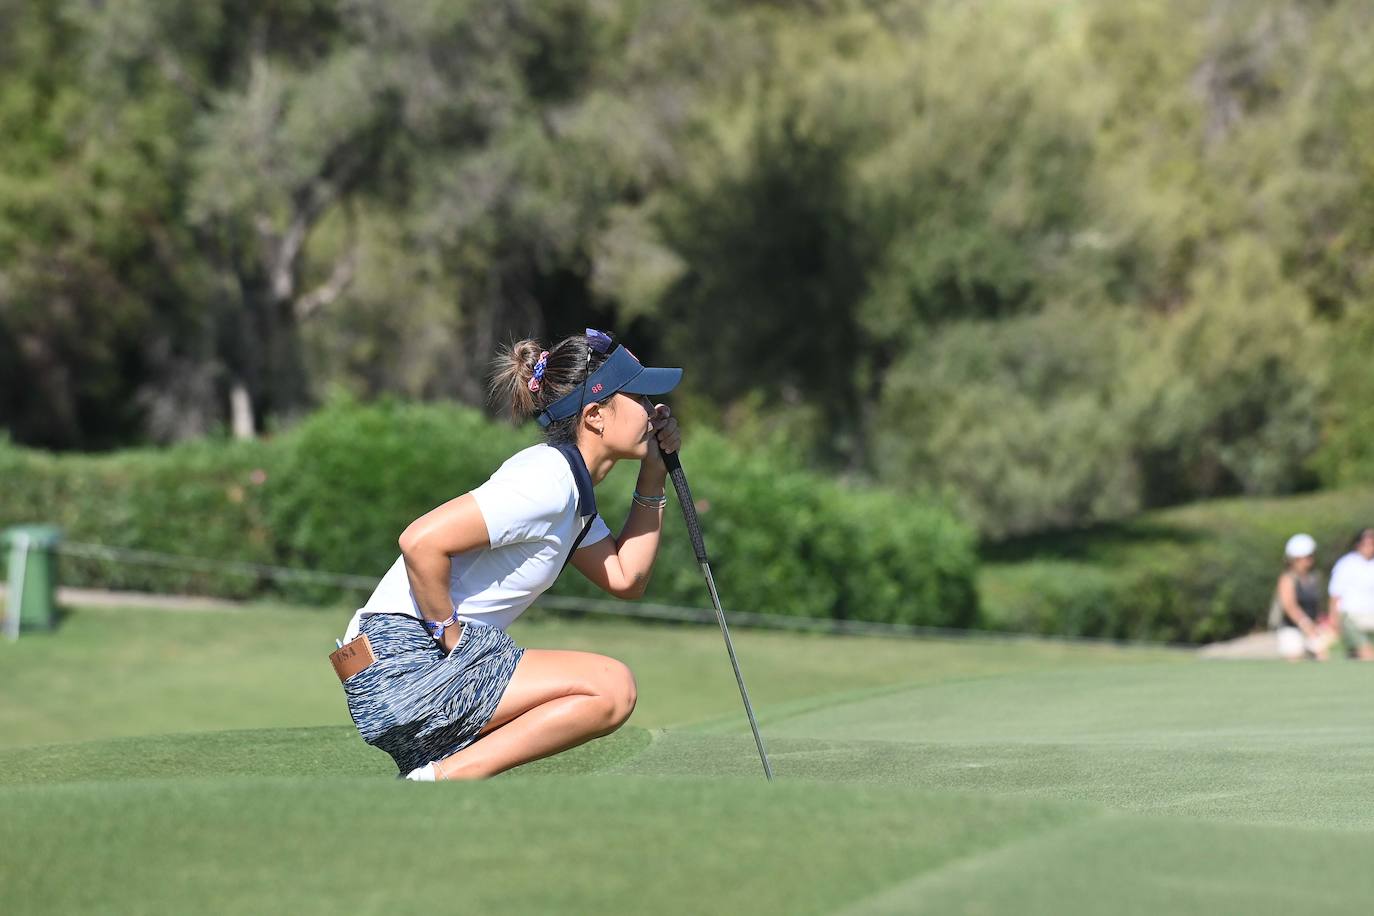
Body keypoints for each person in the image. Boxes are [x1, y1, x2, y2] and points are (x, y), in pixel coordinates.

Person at [336, 329, 682, 780]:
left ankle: (434, 777)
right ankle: (441, 778)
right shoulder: (548, 482)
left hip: (384, 665)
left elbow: (625, 578)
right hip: (399, 661)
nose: (653, 410)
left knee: (606, 689)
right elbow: (420, 541)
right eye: (637, 397)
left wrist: (654, 475)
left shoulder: (570, 491)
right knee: (611, 686)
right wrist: (452, 639)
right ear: (595, 415)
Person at [1269, 533, 1333, 661]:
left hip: (1312, 627)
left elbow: (1317, 606)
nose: (1310, 560)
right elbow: (1289, 606)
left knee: (1322, 654)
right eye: (1307, 557)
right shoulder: (1287, 578)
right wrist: (1306, 625)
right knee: (1295, 655)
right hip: (1291, 628)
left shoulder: (1314, 578)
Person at [1329, 526, 1374, 662]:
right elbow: (1335, 595)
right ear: (1358, 544)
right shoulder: (1346, 564)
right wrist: (1334, 620)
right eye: (1367, 543)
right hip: (1351, 618)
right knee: (1368, 655)